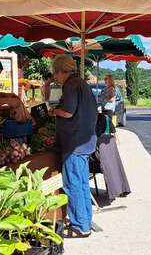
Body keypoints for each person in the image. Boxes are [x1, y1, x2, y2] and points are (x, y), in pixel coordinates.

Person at [49, 55, 97, 238]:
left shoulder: (70, 85)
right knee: (82, 183)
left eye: (55, 73)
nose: (54, 77)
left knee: (73, 184)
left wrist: (54, 111)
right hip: (85, 142)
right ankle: (85, 221)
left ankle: (79, 225)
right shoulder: (81, 83)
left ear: (62, 71)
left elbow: (68, 112)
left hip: (74, 143)